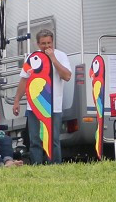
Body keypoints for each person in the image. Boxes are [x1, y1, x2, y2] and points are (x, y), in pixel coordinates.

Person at [12, 29, 72, 164]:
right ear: (38, 44)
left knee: (53, 139)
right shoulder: (32, 57)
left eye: (49, 43)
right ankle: (36, 166)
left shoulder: (61, 56)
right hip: (34, 105)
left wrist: (53, 59)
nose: (47, 46)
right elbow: (24, 80)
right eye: (43, 43)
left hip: (53, 106)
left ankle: (55, 165)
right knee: (35, 139)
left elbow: (67, 76)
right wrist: (16, 100)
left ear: (53, 42)